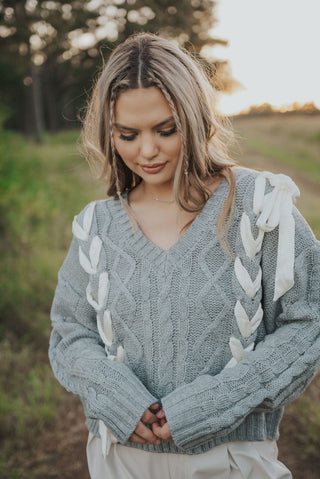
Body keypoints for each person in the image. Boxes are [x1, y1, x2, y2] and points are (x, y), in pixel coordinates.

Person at [49, 32, 320, 478]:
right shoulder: (96, 227)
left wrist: (212, 404)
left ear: (195, 119)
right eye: (128, 134)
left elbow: (307, 321)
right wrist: (116, 397)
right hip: (119, 460)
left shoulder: (260, 207)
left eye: (165, 129)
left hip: (232, 461)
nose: (147, 151)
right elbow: (70, 331)